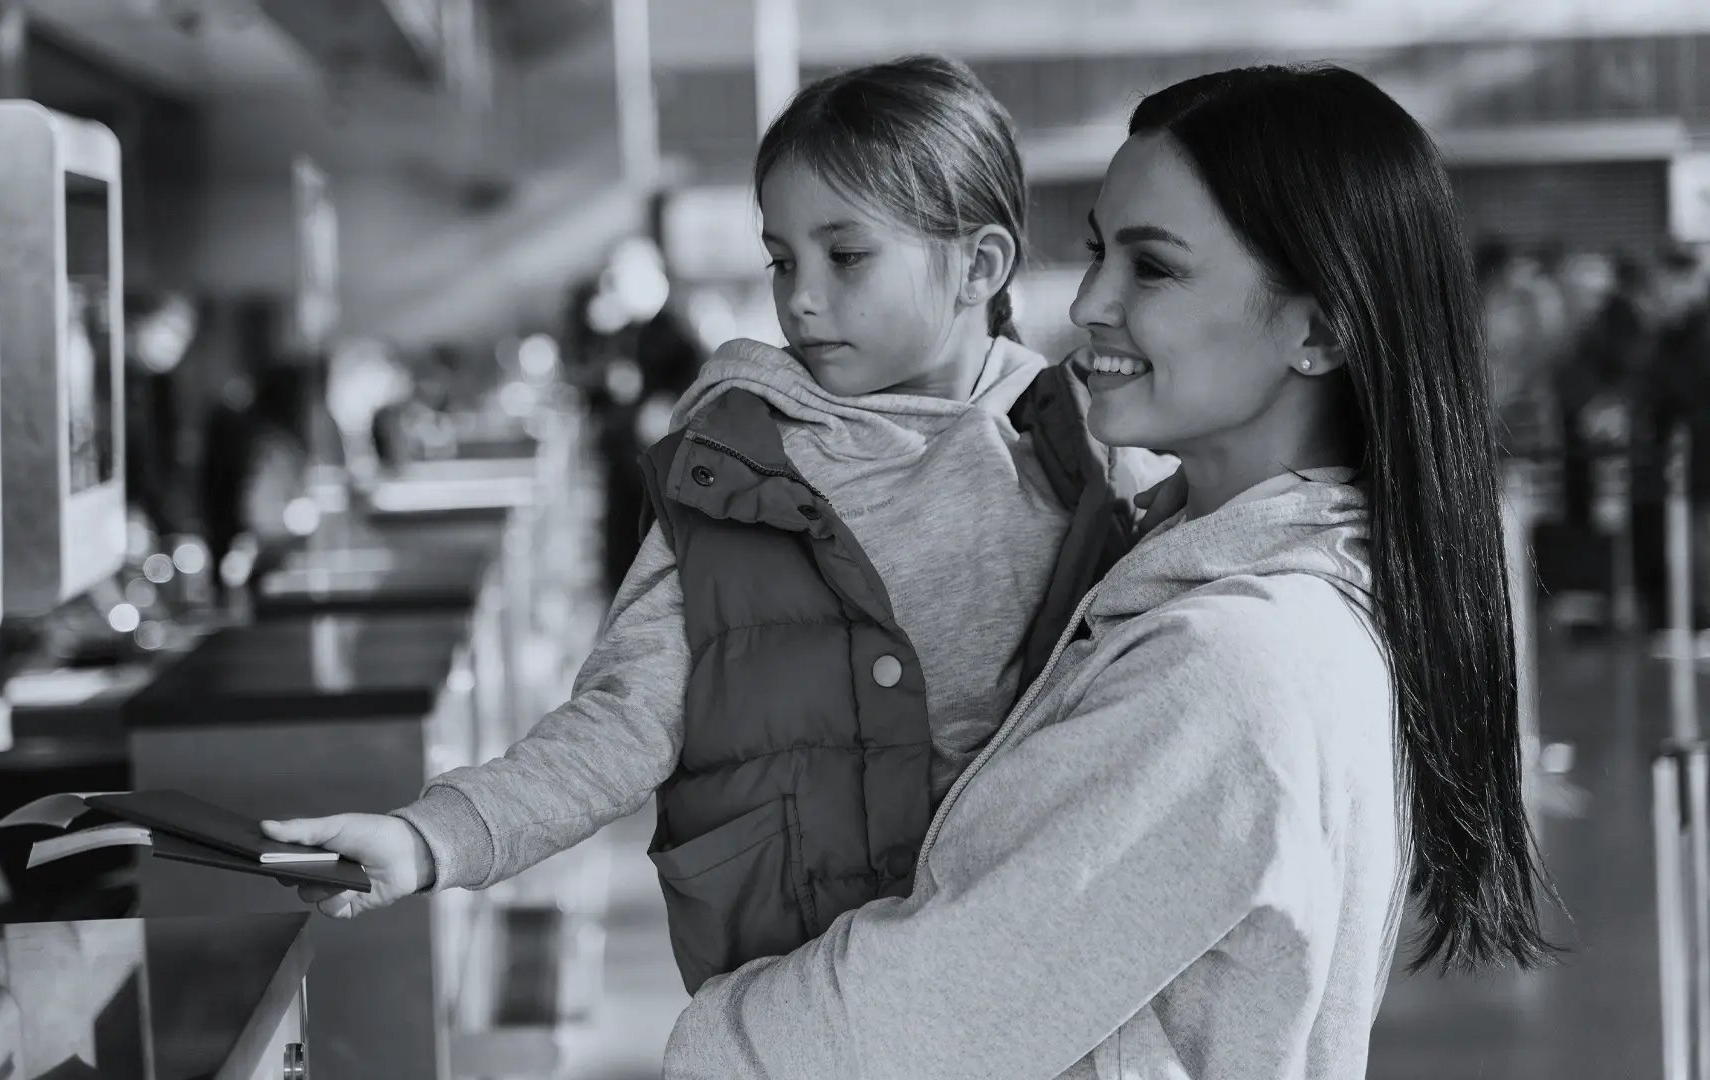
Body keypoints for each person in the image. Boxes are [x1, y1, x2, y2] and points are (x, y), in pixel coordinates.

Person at [655, 63, 1559, 1077]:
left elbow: (903, 1031)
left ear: (1317, 329)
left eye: (1154, 268)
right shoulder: (1173, 572)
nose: (1089, 301)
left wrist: (712, 1040)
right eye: (1096, 253)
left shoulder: (1231, 663)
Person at [261, 55, 1139, 994]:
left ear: (981, 265)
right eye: (782, 258)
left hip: (1023, 988)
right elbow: (620, 719)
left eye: (846, 256)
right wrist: (429, 837)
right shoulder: (731, 471)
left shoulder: (1094, 457)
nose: (800, 297)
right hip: (805, 999)